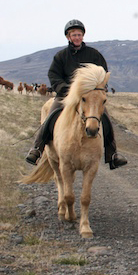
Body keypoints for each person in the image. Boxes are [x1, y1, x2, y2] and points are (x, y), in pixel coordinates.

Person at [25, 19, 128, 170]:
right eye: (74, 35)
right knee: (51, 115)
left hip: (90, 97)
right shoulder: (61, 56)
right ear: (68, 37)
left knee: (105, 118)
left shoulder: (94, 55)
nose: (77, 37)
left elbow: (103, 73)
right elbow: (53, 74)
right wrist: (64, 88)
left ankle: (113, 155)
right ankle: (37, 148)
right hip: (65, 95)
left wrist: (99, 88)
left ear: (83, 36)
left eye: (79, 34)